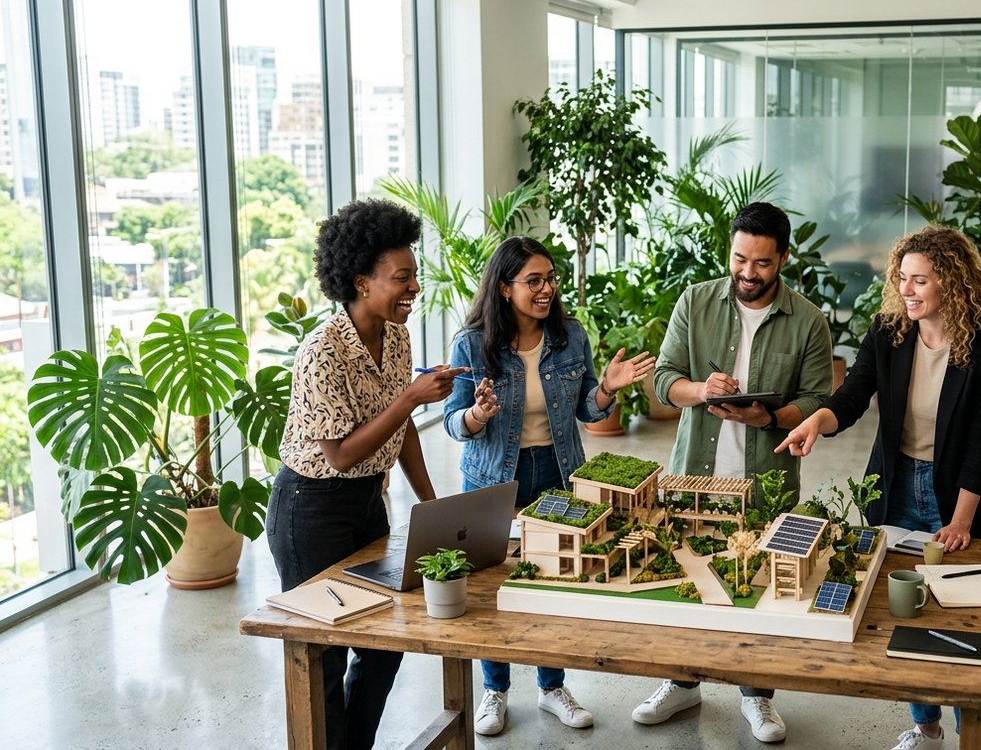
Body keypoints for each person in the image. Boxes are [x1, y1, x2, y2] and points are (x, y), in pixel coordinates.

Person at [774, 226, 981, 750]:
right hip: (897, 483)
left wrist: (962, 522)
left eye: (919, 280)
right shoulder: (889, 331)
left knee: (964, 610)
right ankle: (925, 724)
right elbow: (854, 396)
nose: (906, 290)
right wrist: (818, 422)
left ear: (950, 282)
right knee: (905, 604)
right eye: (901, 278)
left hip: (962, 495)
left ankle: (968, 721)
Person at [634, 201, 832, 744]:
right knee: (687, 579)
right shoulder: (695, 302)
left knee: (759, 590)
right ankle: (681, 682)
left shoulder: (809, 320)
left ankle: (758, 697)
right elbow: (664, 379)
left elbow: (816, 398)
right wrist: (701, 391)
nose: (748, 273)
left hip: (766, 478)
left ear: (784, 258)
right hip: (693, 472)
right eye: (739, 258)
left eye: (762, 263)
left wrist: (767, 416)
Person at [442, 235, 654, 737]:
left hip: (558, 471)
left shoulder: (569, 336)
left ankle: (551, 685)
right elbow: (452, 421)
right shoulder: (471, 344)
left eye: (550, 278)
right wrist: (476, 414)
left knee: (553, 576)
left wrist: (608, 388)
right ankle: (495, 690)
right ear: (503, 288)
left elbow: (587, 407)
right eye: (533, 280)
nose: (546, 289)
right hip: (494, 476)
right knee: (494, 584)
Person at [266, 198, 458, 750]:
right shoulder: (321, 351)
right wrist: (410, 399)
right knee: (322, 650)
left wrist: (430, 503)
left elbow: (403, 433)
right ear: (360, 280)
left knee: (382, 639)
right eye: (402, 278)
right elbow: (340, 455)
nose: (413, 288)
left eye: (414, 276)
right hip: (311, 508)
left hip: (368, 504)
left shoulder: (396, 338)